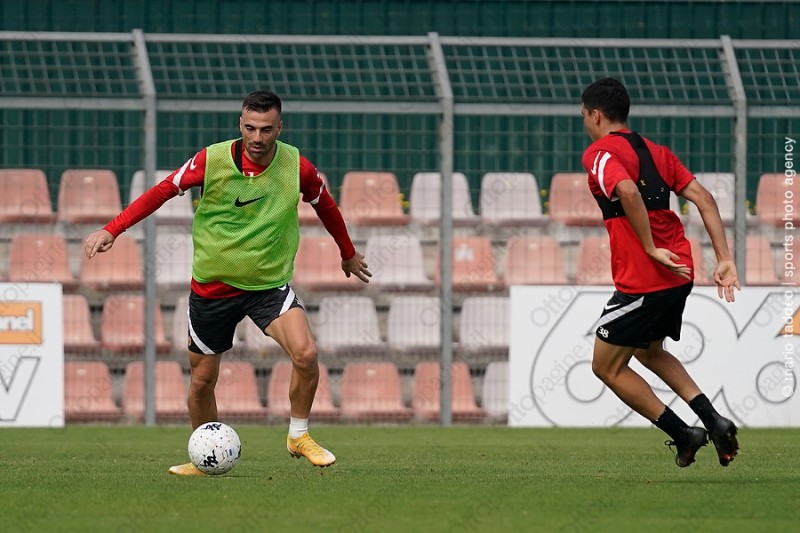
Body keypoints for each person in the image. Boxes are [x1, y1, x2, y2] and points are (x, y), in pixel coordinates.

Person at [85, 90, 371, 475]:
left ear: (279, 128)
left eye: (266, 129)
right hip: (213, 290)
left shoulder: (297, 167)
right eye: (250, 128)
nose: (257, 137)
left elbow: (327, 206)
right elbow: (162, 190)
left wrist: (347, 252)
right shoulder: (212, 160)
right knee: (202, 381)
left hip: (267, 286)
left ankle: (299, 435)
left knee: (306, 354)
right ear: (240, 124)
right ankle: (203, 457)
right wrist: (113, 229)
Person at [580, 77, 740, 468]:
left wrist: (650, 247)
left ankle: (684, 434)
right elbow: (704, 198)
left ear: (596, 115)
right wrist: (724, 258)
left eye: (584, 115)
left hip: (645, 279)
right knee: (649, 352)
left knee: (605, 366)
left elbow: (628, 191)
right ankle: (713, 421)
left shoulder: (599, 153)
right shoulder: (657, 152)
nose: (584, 122)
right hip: (679, 273)